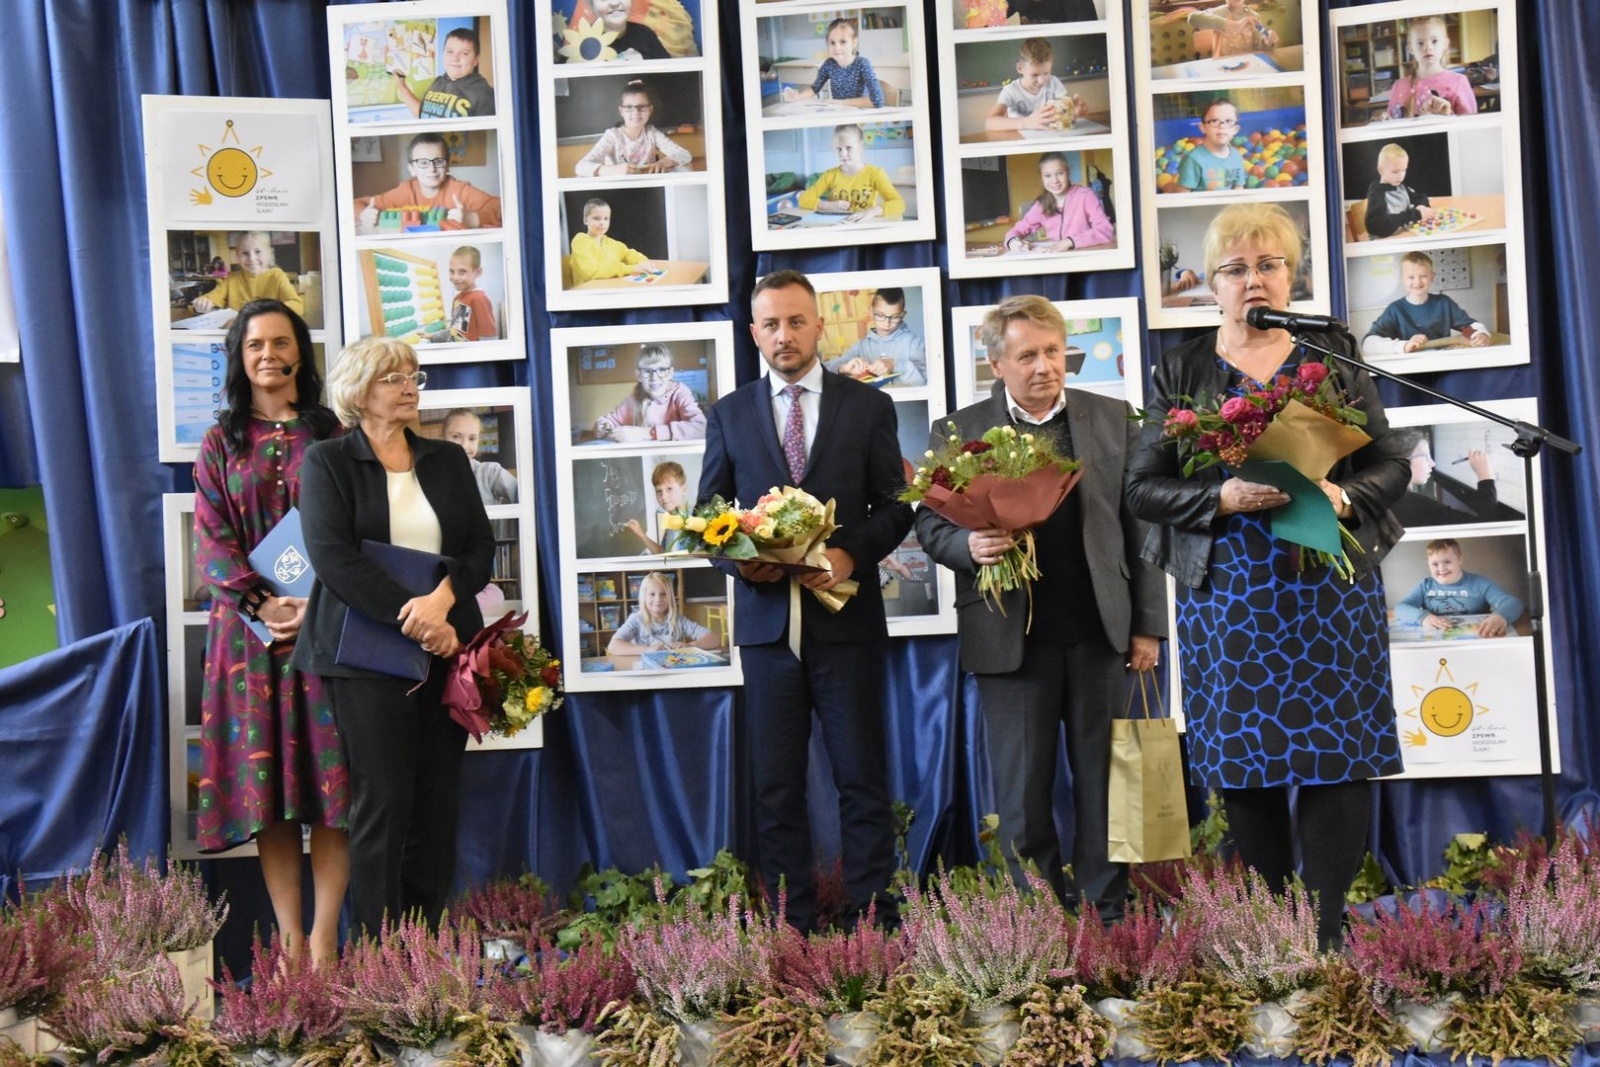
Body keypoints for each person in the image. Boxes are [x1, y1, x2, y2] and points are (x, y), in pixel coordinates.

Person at [1125, 202, 1412, 950]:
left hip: (1326, 583)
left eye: (1270, 264)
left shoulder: (1332, 350)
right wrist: (1216, 495)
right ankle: (1277, 922)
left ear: (1292, 274)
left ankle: (1322, 929)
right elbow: (1140, 487)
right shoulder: (1180, 364)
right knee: (1246, 761)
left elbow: (1392, 461)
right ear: (1212, 284)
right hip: (1228, 591)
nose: (1254, 279)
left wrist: (1343, 493)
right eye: (1237, 268)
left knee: (1336, 754)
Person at [914, 296, 1166, 915]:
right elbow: (929, 520)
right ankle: (1043, 920)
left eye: (1053, 352)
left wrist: (1149, 628)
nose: (1045, 366)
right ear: (996, 362)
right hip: (1010, 640)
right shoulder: (957, 430)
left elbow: (1142, 528)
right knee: (1024, 796)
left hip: (1100, 632)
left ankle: (1110, 917)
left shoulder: (1112, 418)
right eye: (1027, 355)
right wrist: (968, 544)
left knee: (1106, 787)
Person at [698, 269, 913, 934]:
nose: (784, 335)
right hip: (767, 633)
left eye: (796, 321)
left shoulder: (867, 406)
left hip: (846, 624)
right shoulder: (729, 413)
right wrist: (744, 561)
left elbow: (897, 507)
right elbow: (710, 520)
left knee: (862, 779)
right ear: (754, 332)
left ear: (821, 326)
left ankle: (874, 924)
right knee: (776, 788)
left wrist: (852, 553)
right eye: (771, 324)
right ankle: (790, 928)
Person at [292, 337, 494, 938]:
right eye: (393, 378)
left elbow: (478, 549)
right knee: (382, 806)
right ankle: (379, 960)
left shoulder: (446, 460)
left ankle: (423, 947)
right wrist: (414, 618)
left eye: (414, 376)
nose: (410, 387)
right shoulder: (327, 461)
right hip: (364, 656)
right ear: (358, 392)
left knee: (437, 805)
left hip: (447, 652)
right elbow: (331, 557)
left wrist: (443, 605)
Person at [193, 299, 348, 964]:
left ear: (299, 353)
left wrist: (313, 605)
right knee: (274, 794)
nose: (267, 354)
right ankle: (288, 937)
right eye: (254, 344)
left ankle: (325, 937)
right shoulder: (219, 441)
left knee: (332, 787)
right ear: (240, 355)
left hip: (328, 627)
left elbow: (353, 525)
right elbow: (212, 537)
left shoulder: (332, 432)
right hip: (249, 642)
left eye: (280, 342)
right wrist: (263, 605)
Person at [354, 131, 502, 232]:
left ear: (447, 165)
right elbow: (353, 205)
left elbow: (503, 209)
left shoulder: (459, 191)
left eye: (438, 161)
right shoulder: (406, 191)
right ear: (412, 169)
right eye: (423, 162)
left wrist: (472, 218)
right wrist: (363, 215)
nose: (432, 169)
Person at [1361, 251, 1492, 355]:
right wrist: (1404, 346)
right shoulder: (1395, 309)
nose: (1417, 282)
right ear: (1402, 279)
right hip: (1410, 368)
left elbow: (1466, 328)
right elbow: (1368, 343)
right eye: (1411, 277)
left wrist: (1479, 334)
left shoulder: (1443, 303)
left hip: (1441, 363)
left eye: (1423, 276)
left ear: (1432, 277)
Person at [1395, 538, 1523, 638]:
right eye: (1435, 564)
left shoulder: (1479, 583)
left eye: (1447, 562)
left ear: (1460, 560)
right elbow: (1400, 608)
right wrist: (1423, 617)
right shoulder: (1425, 585)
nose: (1441, 569)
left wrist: (1501, 616)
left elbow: (1513, 603)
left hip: (1475, 637)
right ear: (1428, 564)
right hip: (1436, 642)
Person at [777, 125, 904, 223]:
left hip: (864, 226)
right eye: (839, 149)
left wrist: (873, 211)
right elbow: (804, 199)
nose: (843, 154)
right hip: (836, 225)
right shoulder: (830, 175)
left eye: (849, 148)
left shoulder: (875, 173)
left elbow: (899, 204)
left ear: (860, 147)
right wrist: (828, 205)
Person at [1389, 428, 1505, 527]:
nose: (1432, 463)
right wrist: (1485, 475)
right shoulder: (1414, 506)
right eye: (1425, 456)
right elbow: (1487, 526)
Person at [574, 80, 692, 177]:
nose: (636, 112)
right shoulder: (613, 136)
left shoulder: (652, 133)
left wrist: (664, 162)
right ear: (621, 111)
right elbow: (580, 167)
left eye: (641, 107)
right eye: (629, 107)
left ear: (650, 110)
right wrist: (612, 170)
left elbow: (685, 155)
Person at [593, 344, 707, 442]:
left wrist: (647, 433)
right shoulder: (635, 398)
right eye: (647, 371)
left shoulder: (680, 392)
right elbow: (609, 420)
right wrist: (604, 426)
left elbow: (702, 428)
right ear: (638, 375)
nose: (654, 378)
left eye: (662, 370)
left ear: (671, 373)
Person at [1004, 152, 1115, 252]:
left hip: (1083, 257)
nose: (1055, 180)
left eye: (1060, 173)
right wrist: (1013, 242)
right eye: (1048, 175)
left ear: (1068, 172)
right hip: (1056, 259)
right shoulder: (1041, 204)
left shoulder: (1085, 195)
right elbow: (1017, 230)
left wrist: (1069, 242)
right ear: (1042, 178)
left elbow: (1106, 230)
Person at [824, 288, 927, 385]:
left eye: (895, 317)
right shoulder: (861, 346)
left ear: (903, 314)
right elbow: (822, 369)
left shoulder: (913, 343)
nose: (887, 323)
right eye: (880, 315)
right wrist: (844, 368)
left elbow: (926, 380)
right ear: (871, 312)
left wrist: (894, 365)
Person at [1381, 17, 1476, 120]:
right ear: (1410, 49)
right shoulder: (1398, 86)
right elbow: (1391, 123)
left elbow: (1470, 125)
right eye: (1420, 43)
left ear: (1445, 44)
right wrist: (1382, 120)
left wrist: (1448, 115)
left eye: (1434, 41)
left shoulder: (1459, 82)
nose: (1428, 47)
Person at [985, 37, 1086, 133]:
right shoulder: (1010, 91)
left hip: (1050, 137)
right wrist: (1026, 122)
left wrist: (1074, 112)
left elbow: (1065, 111)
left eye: (1046, 73)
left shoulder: (1054, 83)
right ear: (1020, 68)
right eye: (1034, 75)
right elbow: (989, 123)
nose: (1042, 81)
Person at [394, 26, 496, 119]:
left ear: (476, 60)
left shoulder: (486, 95)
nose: (455, 58)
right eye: (450, 51)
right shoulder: (438, 82)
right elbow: (422, 115)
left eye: (464, 53)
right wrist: (402, 87)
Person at [606, 572, 720, 655]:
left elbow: (714, 638)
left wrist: (689, 646)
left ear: (670, 596)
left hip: (674, 666)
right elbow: (613, 646)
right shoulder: (636, 619)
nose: (658, 599)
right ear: (643, 597)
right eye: (652, 594)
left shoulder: (678, 619)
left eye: (663, 594)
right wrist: (647, 650)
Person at [192, 232, 303, 316]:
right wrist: (201, 305)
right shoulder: (232, 279)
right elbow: (210, 298)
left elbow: (298, 306)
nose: (252, 258)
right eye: (245, 253)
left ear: (269, 253)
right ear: (237, 255)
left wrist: (268, 310)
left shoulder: (277, 276)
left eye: (258, 252)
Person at [781, 18, 884, 108]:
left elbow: (877, 101)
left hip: (858, 113)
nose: (836, 48)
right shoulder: (829, 64)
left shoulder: (862, 64)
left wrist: (841, 103)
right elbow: (814, 88)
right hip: (839, 113)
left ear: (854, 42)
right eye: (832, 43)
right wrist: (796, 97)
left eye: (843, 42)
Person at [568, 197, 653, 286]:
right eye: (596, 218)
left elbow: (629, 254)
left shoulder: (612, 243)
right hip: (588, 293)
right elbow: (591, 271)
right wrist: (631, 269)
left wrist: (643, 262)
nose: (602, 222)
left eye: (606, 218)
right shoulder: (580, 242)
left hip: (610, 288)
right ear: (585, 220)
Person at [441, 408, 517, 505]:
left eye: (472, 438)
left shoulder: (491, 473)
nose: (464, 446)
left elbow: (525, 495)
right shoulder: (430, 476)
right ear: (443, 438)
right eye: (456, 436)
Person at [1361, 143, 1436, 239]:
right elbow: (1375, 225)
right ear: (1381, 170)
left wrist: (1420, 206)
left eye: (1404, 170)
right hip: (1386, 241)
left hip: (1405, 234)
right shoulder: (1377, 193)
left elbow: (1420, 197)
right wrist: (1415, 214)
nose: (1401, 176)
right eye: (1395, 171)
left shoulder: (1400, 185)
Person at [1174, 98, 1245, 192]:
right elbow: (1182, 194)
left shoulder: (1236, 156)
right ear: (1203, 127)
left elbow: (1238, 188)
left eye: (1228, 121)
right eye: (1215, 121)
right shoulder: (1194, 159)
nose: (1222, 126)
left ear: (1235, 130)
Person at [1175, 0, 1279, 57]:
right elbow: (1192, 18)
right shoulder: (1220, 12)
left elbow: (1260, 49)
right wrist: (1234, 26)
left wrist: (1267, 42)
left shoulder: (1254, 16)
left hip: (1247, 64)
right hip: (1223, 66)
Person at [625, 460, 689, 553]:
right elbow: (662, 552)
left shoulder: (695, 522)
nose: (663, 497)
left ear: (683, 489)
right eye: (659, 491)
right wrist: (641, 533)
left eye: (669, 489)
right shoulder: (672, 522)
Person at [584, 0, 671, 62]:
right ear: (591, 6)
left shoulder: (645, 34)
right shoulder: (582, 43)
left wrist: (644, 64)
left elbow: (671, 75)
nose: (615, 3)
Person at [442, 246, 497, 342]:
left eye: (462, 272)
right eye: (452, 271)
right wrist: (432, 336)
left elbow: (489, 336)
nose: (455, 277)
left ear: (477, 272)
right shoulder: (457, 298)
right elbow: (456, 331)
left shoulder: (479, 298)